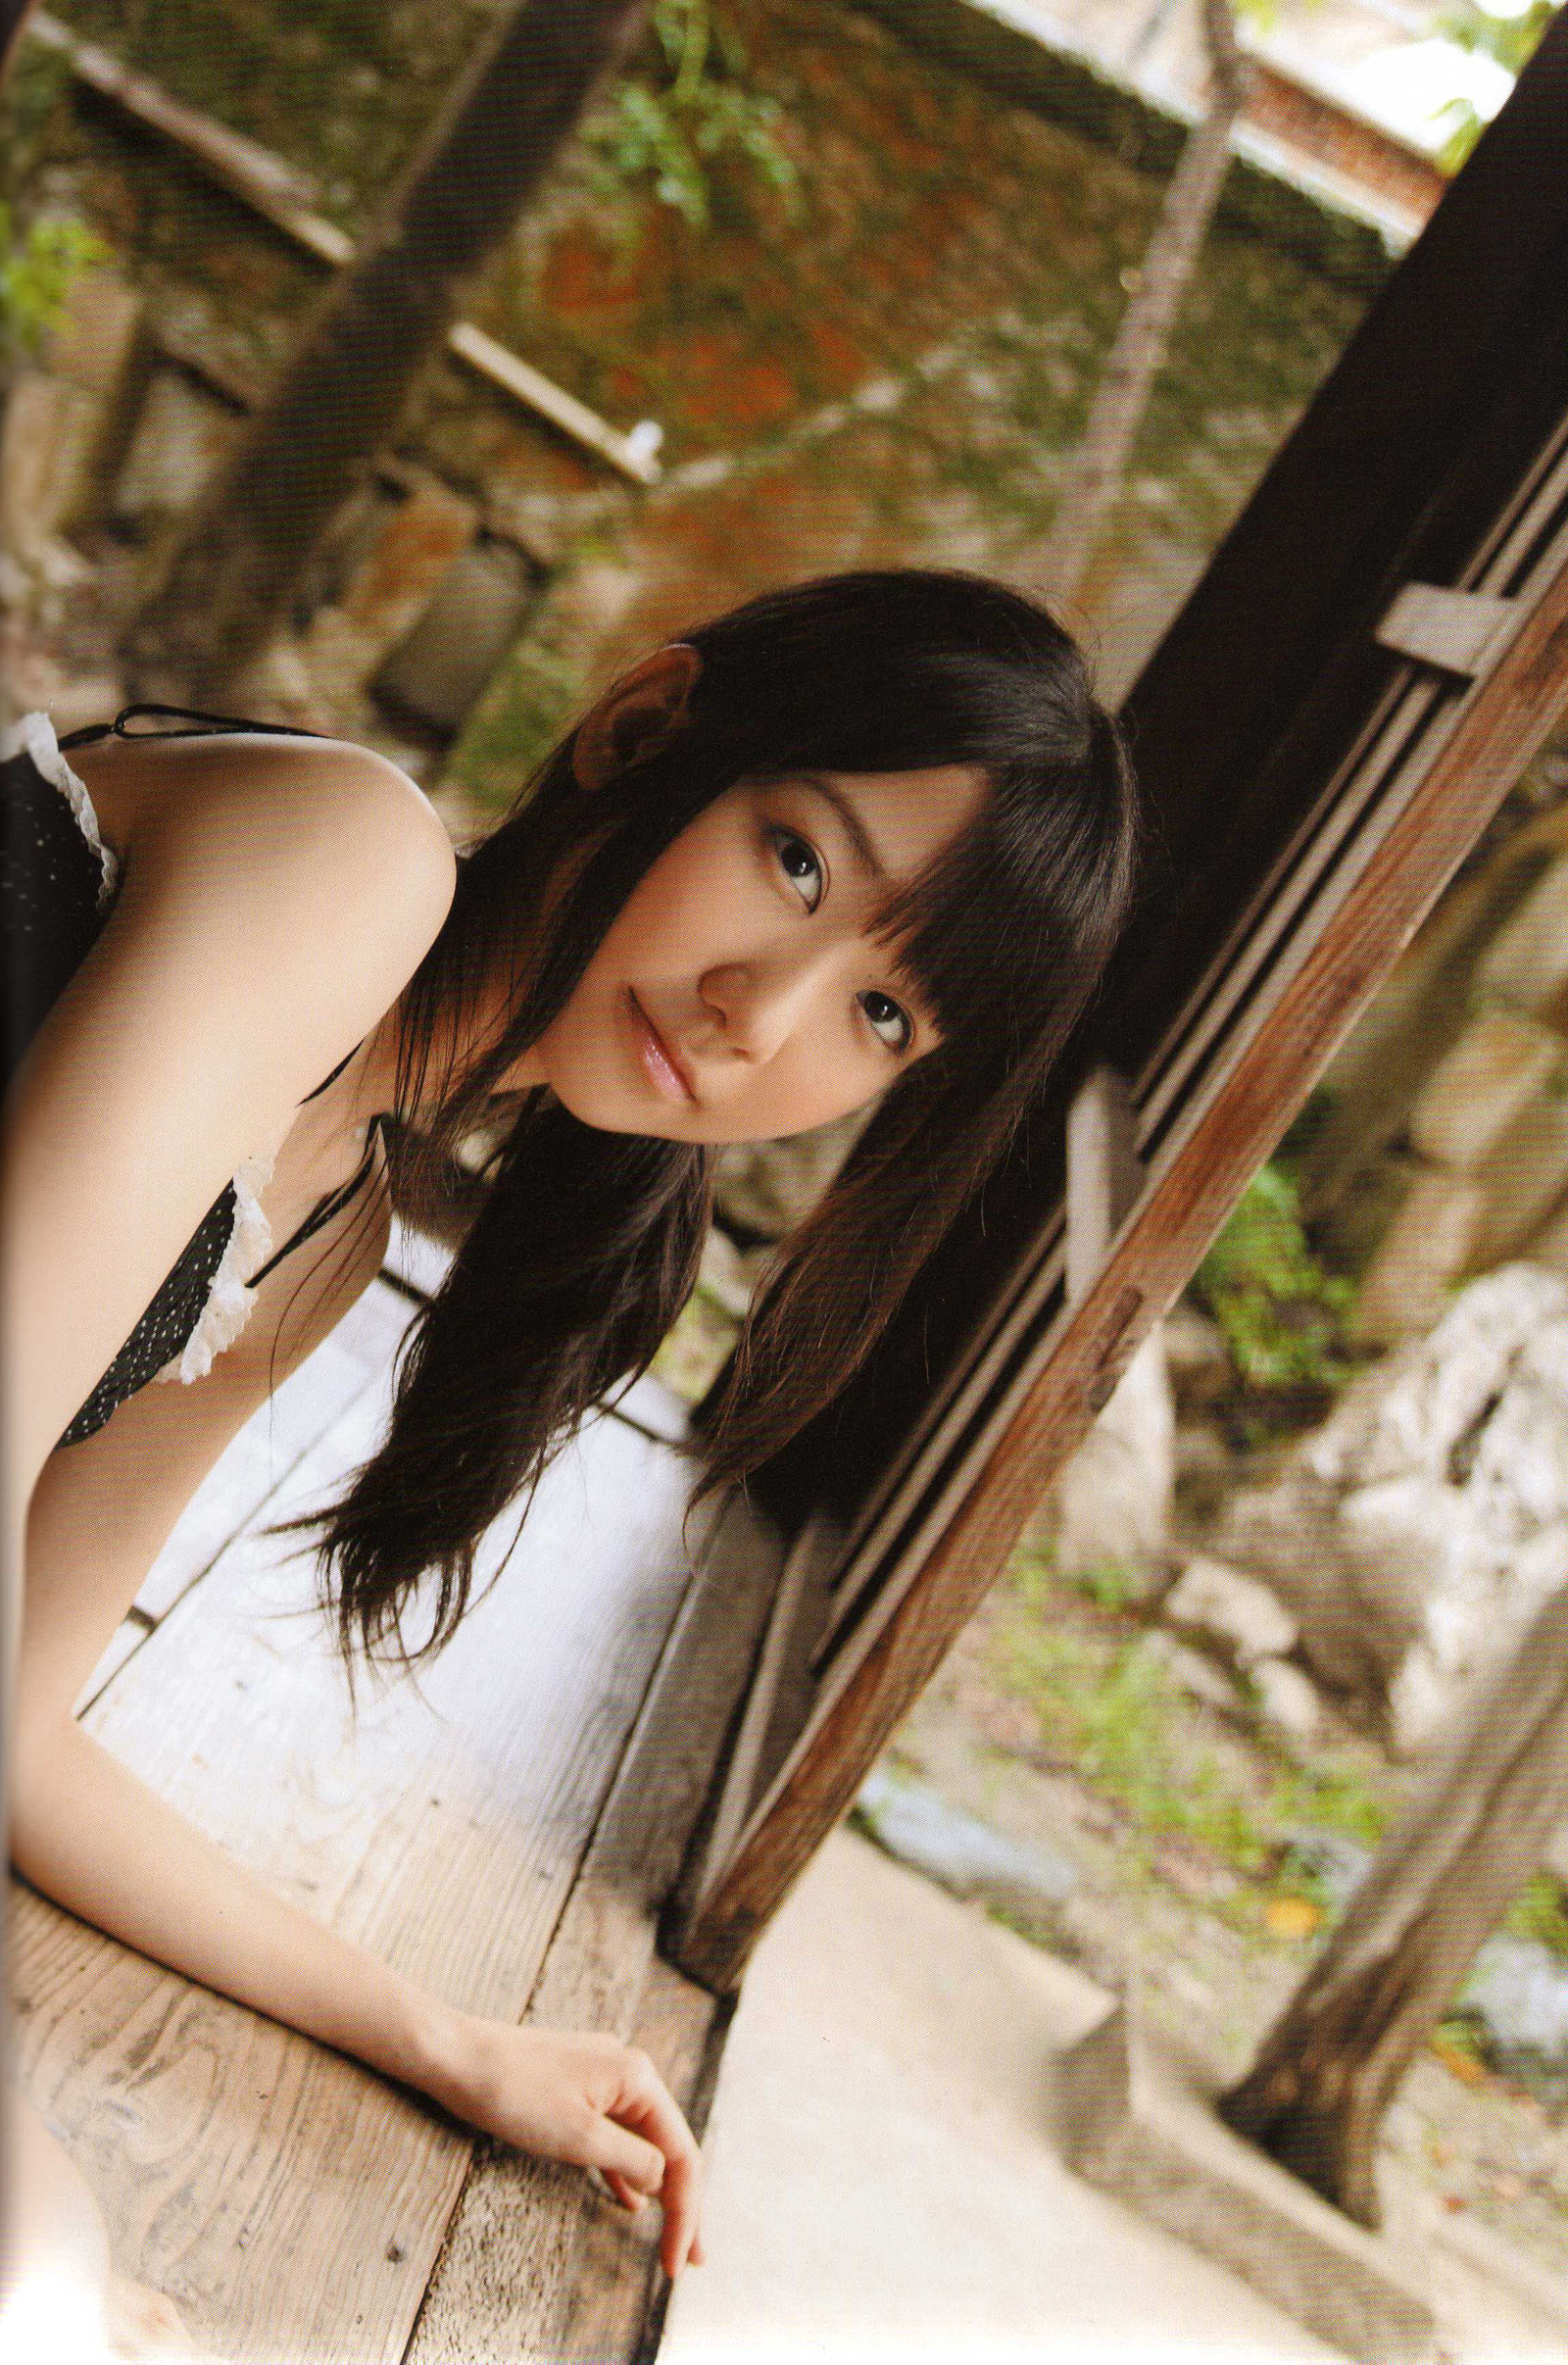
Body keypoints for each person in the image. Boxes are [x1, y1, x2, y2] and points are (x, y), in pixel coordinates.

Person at [1, 567, 1141, 2350]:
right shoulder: (349, 859)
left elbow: (14, 1731)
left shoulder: (323, 1241)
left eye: (884, 1015)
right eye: (798, 860)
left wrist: (443, 2037)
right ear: (641, 727)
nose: (766, 1012)